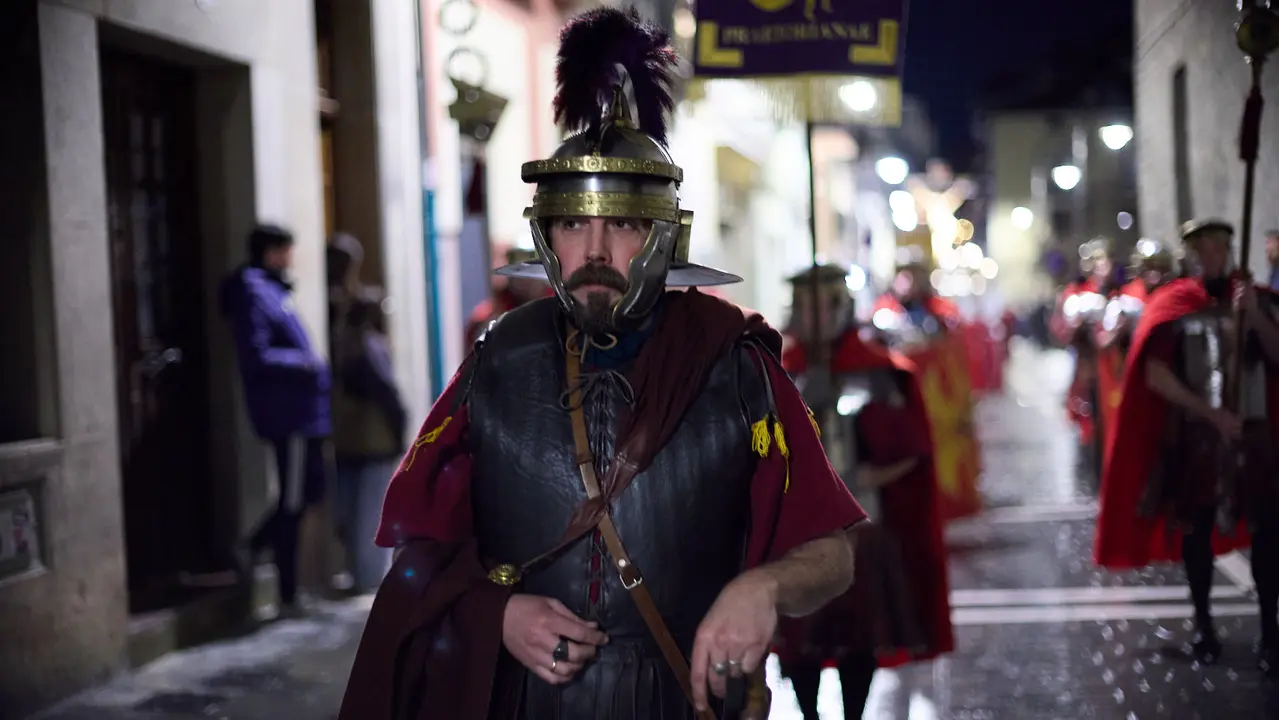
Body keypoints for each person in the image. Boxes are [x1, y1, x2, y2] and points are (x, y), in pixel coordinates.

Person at [338, 8, 864, 720]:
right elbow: (417, 554)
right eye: (571, 224)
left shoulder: (737, 364)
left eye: (620, 225)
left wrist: (762, 588)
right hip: (525, 702)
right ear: (544, 236)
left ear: (663, 238)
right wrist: (496, 611)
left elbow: (830, 554)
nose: (593, 251)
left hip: (684, 698)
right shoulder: (495, 362)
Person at [1096, 218, 1279, 674]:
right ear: (1191, 256)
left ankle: (1271, 631)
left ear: (1230, 251)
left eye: (1219, 247)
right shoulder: (1173, 305)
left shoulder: (1259, 301)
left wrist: (1254, 315)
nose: (1212, 256)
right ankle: (1203, 623)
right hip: (1200, 437)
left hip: (1254, 434)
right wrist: (1210, 413)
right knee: (1196, 531)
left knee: (1267, 532)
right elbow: (1155, 375)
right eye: (1203, 249)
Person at [774, 265, 953, 720]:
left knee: (859, 635)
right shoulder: (775, 370)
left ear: (841, 307)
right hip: (795, 528)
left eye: (824, 305)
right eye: (807, 305)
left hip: (861, 523)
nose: (814, 316)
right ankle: (809, 714)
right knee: (799, 639)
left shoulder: (878, 372)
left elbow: (912, 450)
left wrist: (864, 480)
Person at [220, 223, 332, 616]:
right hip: (290, 414)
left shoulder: (273, 291)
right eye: (286, 251)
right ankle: (284, 588)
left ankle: (269, 566)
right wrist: (306, 364)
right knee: (292, 499)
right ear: (271, 252)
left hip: (303, 412)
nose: (291, 259)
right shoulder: (254, 293)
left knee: (305, 494)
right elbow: (257, 355)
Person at [332, 287, 406, 592]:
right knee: (373, 511)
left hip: (346, 439)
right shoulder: (372, 346)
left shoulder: (340, 344)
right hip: (374, 439)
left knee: (351, 510)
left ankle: (357, 572)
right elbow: (387, 392)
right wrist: (400, 428)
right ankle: (369, 577)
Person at [1093, 239, 1178, 459]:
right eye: (1149, 268)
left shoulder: (1176, 296)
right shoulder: (1127, 301)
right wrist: (1118, 331)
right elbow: (1104, 342)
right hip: (1137, 381)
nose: (1155, 275)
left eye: (1160, 268)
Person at [1052, 239, 1121, 479]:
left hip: (1115, 367)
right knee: (1090, 420)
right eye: (1096, 261)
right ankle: (1093, 470)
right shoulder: (1076, 293)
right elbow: (1063, 330)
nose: (1103, 266)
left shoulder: (1117, 292)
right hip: (1089, 367)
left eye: (1105, 260)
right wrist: (1077, 326)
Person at [465, 247, 553, 347]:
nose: (527, 281)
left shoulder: (559, 306)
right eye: (521, 274)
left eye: (533, 274)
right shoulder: (490, 315)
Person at [870, 260, 962, 351]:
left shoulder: (933, 304)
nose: (908, 284)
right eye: (904, 279)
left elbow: (951, 322)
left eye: (913, 277)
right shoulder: (885, 304)